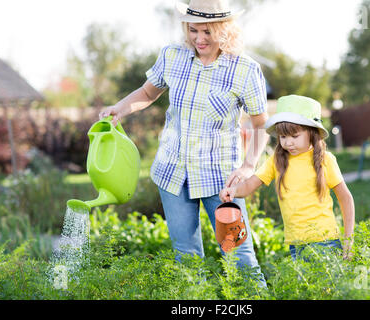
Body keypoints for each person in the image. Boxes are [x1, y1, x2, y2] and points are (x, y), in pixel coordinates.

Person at [99, 0, 269, 284]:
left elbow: (260, 124)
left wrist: (249, 165)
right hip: (173, 172)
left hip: (221, 179)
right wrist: (120, 108)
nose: (199, 39)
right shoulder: (172, 56)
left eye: (207, 32)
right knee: (186, 255)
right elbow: (147, 92)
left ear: (224, 29)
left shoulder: (244, 70)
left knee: (237, 252)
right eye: (193, 31)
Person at [219, 95, 355, 261]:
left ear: (312, 133)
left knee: (328, 287)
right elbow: (249, 185)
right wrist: (234, 191)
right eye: (283, 137)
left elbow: (346, 199)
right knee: (302, 287)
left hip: (325, 242)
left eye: (294, 136)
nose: (288, 143)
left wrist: (349, 240)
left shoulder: (325, 160)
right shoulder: (276, 161)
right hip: (296, 245)